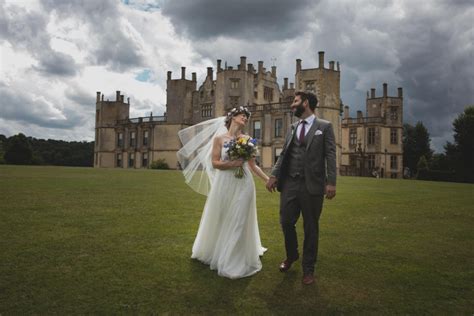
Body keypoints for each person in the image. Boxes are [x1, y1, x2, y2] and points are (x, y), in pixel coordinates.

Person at [177, 106, 268, 279]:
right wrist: (232, 164)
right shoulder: (219, 139)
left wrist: (268, 180)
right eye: (243, 116)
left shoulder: (247, 139)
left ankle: (233, 258)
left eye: (247, 118)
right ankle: (218, 250)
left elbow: (253, 165)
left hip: (244, 183)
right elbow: (215, 163)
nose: (245, 119)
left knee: (240, 217)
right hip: (224, 183)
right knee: (224, 216)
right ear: (233, 117)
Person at [266, 91, 336, 285]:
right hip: (290, 183)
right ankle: (292, 255)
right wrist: (274, 175)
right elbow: (283, 155)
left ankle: (308, 269)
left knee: (311, 228)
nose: (292, 105)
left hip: (312, 185)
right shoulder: (292, 128)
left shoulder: (325, 127)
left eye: (295, 102)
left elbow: (330, 155)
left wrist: (331, 182)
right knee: (286, 221)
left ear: (305, 103)